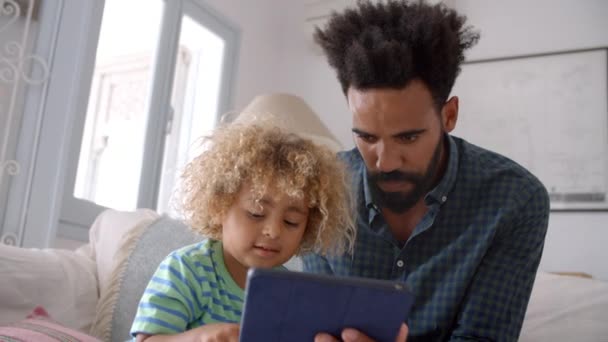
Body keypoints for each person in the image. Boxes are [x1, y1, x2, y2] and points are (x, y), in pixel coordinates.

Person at [304, 1, 550, 341]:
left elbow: (483, 337)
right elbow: (314, 325)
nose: (386, 161)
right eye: (366, 136)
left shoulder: (515, 199)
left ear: (448, 115)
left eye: (408, 137)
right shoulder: (321, 186)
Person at [130, 122, 356, 341]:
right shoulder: (186, 270)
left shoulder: (290, 291)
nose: (273, 231)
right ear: (219, 206)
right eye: (256, 214)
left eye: (291, 221)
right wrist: (201, 337)